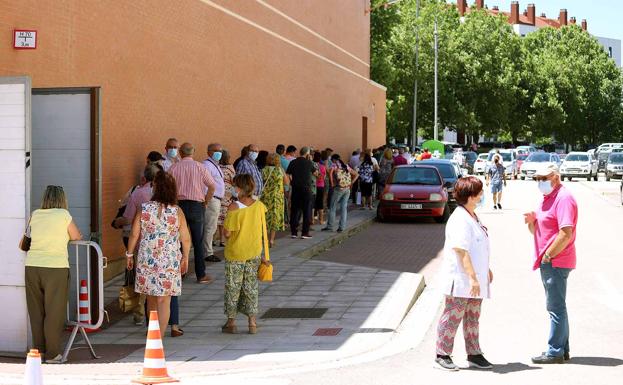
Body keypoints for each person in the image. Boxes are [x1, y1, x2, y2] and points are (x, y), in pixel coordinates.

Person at [434, 176, 493, 371]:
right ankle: (442, 354)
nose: (482, 195)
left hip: (475, 278)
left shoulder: (472, 216)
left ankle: (474, 353)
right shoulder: (460, 218)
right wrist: (473, 278)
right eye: (479, 192)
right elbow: (461, 250)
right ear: (471, 196)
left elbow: (478, 246)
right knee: (453, 316)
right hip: (461, 278)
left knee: (472, 317)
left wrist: (486, 270)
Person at [524, 165, 578, 365]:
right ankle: (562, 349)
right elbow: (539, 232)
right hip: (550, 259)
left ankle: (554, 351)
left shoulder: (563, 198)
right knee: (557, 306)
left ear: (555, 177)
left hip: (556, 260)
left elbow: (566, 233)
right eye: (536, 178)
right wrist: (532, 222)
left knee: (555, 306)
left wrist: (548, 254)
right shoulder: (549, 197)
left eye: (543, 178)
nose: (539, 181)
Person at [127, 171, 191, 336]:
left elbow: (134, 234)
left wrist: (129, 254)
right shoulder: (177, 211)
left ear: (155, 188)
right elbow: (186, 238)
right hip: (169, 260)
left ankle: (153, 333)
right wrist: (185, 257)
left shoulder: (145, 208)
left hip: (147, 258)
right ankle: (160, 337)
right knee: (165, 300)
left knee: (151, 300)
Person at [23, 185, 82, 364]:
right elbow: (76, 236)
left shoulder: (35, 214)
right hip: (55, 268)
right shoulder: (64, 215)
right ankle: (52, 354)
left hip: (32, 266)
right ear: (62, 199)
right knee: (53, 312)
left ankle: (38, 351)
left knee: (36, 312)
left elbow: (24, 241)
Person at [222, 174, 269, 335]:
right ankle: (252, 323)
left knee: (233, 287)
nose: (233, 189)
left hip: (236, 252)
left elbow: (227, 233)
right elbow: (262, 231)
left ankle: (231, 322)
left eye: (235, 186)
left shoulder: (234, 207)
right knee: (251, 287)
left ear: (240, 188)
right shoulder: (260, 206)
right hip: (254, 251)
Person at [114, 164, 159, 326]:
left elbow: (128, 218)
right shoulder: (165, 195)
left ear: (144, 178)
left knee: (140, 276)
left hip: (141, 242)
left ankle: (139, 311)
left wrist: (117, 222)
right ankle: (160, 312)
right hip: (161, 245)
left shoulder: (138, 193)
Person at [168, 142, 216, 284]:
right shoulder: (200, 167)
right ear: (193, 152)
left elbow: (167, 186)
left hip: (178, 206)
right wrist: (206, 201)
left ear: (180, 153)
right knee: (198, 241)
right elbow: (212, 186)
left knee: (178, 240)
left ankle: (179, 274)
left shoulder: (173, 168)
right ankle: (200, 275)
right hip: (197, 205)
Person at [287, 146, 318, 239]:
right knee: (307, 210)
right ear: (307, 154)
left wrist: (292, 181)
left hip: (295, 188)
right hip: (306, 189)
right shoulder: (309, 162)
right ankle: (305, 232)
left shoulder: (293, 162)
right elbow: (316, 174)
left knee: (295, 210)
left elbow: (288, 174)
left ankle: (294, 232)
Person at [202, 143, 226, 263]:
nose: (219, 153)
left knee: (212, 226)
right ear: (209, 152)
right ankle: (208, 252)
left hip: (216, 199)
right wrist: (207, 199)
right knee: (210, 226)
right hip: (212, 199)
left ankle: (207, 250)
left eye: (220, 151)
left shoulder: (215, 165)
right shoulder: (207, 165)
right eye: (216, 150)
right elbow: (205, 184)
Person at [323, 154, 358, 232]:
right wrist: (351, 183)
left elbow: (329, 172)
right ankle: (341, 227)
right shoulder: (346, 166)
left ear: (334, 160)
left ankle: (330, 226)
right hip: (347, 189)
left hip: (338, 189)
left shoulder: (335, 166)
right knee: (343, 208)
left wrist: (332, 183)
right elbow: (356, 174)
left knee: (332, 207)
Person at [260, 153, 289, 247]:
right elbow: (286, 182)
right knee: (274, 219)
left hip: (265, 197)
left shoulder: (263, 170)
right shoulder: (280, 170)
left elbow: (260, 183)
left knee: (264, 217)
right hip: (277, 198)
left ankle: (264, 239)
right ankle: (271, 240)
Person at [218, 150, 236, 247]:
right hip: (227, 196)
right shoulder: (230, 168)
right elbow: (234, 181)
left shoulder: (216, 167)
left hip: (218, 195)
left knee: (218, 218)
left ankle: (217, 238)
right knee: (225, 218)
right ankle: (223, 239)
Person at [313, 151, 327, 224]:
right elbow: (324, 177)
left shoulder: (312, 165)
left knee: (312, 203)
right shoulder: (322, 167)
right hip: (320, 186)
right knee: (320, 203)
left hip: (312, 186)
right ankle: (321, 220)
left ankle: (312, 219)